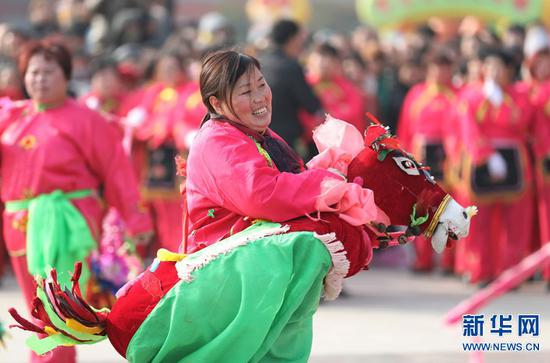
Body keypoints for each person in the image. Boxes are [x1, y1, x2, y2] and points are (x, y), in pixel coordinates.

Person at [9, 50, 474, 363]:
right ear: (217, 102)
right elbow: (263, 194)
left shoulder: (258, 135)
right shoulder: (217, 141)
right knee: (309, 248)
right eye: (246, 91)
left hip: (245, 253)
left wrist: (345, 179)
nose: (260, 97)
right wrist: (330, 184)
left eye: (261, 85)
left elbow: (287, 184)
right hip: (232, 265)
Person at [0, 40, 152, 363]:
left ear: (66, 76)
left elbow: (116, 171)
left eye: (48, 72)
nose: (39, 79)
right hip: (20, 227)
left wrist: (135, 221)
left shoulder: (86, 119)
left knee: (58, 313)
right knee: (34, 310)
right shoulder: (11, 118)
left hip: (68, 226)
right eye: (33, 72)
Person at [455, 48, 534, 285]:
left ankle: (510, 273)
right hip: (482, 164)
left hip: (514, 162)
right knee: (480, 221)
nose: (495, 72)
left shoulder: (519, 96)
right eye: (491, 67)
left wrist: (503, 101)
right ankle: (481, 269)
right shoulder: (472, 96)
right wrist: (486, 155)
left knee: (515, 223)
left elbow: (525, 122)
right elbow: (468, 128)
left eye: (501, 68)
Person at [397, 50, 459, 273]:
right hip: (421, 157)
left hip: (449, 158)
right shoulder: (417, 94)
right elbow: (406, 128)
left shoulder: (458, 95)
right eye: (436, 67)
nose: (441, 72)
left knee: (450, 209)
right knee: (422, 209)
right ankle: (422, 259)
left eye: (445, 67)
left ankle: (450, 261)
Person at [260, 19, 323, 159]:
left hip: (261, 136)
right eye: (300, 37)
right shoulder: (290, 67)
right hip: (287, 139)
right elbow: (311, 104)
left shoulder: (259, 63)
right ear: (292, 39)